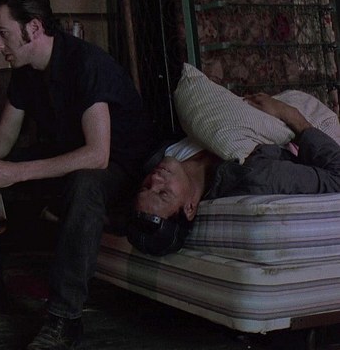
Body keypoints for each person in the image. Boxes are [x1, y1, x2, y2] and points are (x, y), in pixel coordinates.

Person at [0, 0, 155, 350]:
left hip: (119, 166)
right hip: (68, 155)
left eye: (2, 33)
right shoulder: (26, 69)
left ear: (32, 28)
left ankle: (65, 317)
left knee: (84, 186)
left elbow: (98, 154)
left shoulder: (86, 63)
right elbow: (5, 135)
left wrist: (17, 173)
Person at [132, 93, 340, 253]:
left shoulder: (160, 155)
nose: (155, 179)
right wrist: (290, 115)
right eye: (163, 193)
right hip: (312, 121)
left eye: (146, 187)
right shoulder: (254, 176)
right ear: (190, 207)